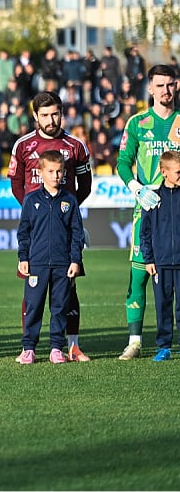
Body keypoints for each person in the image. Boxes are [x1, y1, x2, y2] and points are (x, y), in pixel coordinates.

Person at [7, 91, 93, 361]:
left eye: (55, 113)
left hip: (64, 229)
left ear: (62, 113)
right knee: (32, 290)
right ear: (35, 116)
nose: (51, 119)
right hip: (37, 229)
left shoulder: (76, 146)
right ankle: (28, 347)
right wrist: (35, 211)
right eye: (44, 115)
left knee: (69, 288)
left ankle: (72, 345)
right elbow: (16, 183)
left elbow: (85, 185)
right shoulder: (23, 145)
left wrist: (65, 212)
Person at [116, 64, 180, 360]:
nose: (166, 90)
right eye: (160, 85)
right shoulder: (137, 123)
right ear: (150, 88)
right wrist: (137, 189)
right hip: (148, 208)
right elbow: (123, 162)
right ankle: (135, 341)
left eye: (170, 84)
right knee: (140, 275)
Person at [15, 150, 84, 364]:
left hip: (63, 264)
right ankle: (29, 348)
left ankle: (56, 348)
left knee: (59, 307)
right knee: (33, 306)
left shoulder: (69, 200)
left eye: (59, 171)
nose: (56, 175)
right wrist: (23, 257)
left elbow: (77, 233)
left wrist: (75, 260)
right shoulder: (31, 199)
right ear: (41, 172)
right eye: (51, 171)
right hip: (37, 264)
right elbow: (24, 232)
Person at [141, 150, 180, 361]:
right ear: (164, 172)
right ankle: (164, 346)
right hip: (161, 263)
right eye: (178, 172)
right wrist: (149, 259)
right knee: (163, 306)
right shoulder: (153, 198)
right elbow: (145, 232)